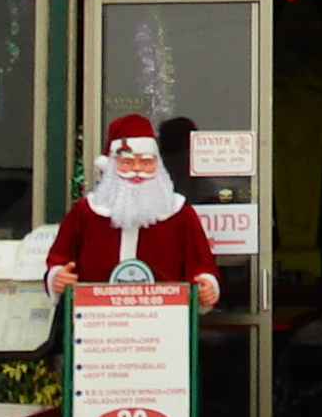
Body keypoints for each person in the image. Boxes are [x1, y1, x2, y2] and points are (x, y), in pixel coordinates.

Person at [44, 113, 221, 308]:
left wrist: (207, 287)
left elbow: (201, 265)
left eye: (145, 163)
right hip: (98, 325)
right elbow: (60, 259)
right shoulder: (86, 212)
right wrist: (57, 277)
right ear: (111, 165)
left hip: (163, 324)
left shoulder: (179, 214)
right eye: (127, 163)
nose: (137, 171)